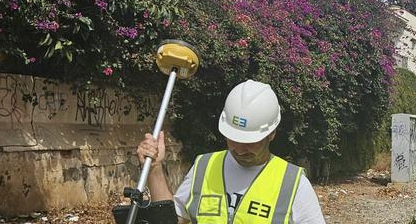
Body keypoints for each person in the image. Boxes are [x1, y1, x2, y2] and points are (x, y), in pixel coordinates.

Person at [136, 80, 326, 224]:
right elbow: (170, 220)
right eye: (233, 138)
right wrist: (154, 169)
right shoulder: (204, 167)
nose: (240, 149)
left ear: (272, 133)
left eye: (251, 141)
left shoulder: (292, 183)